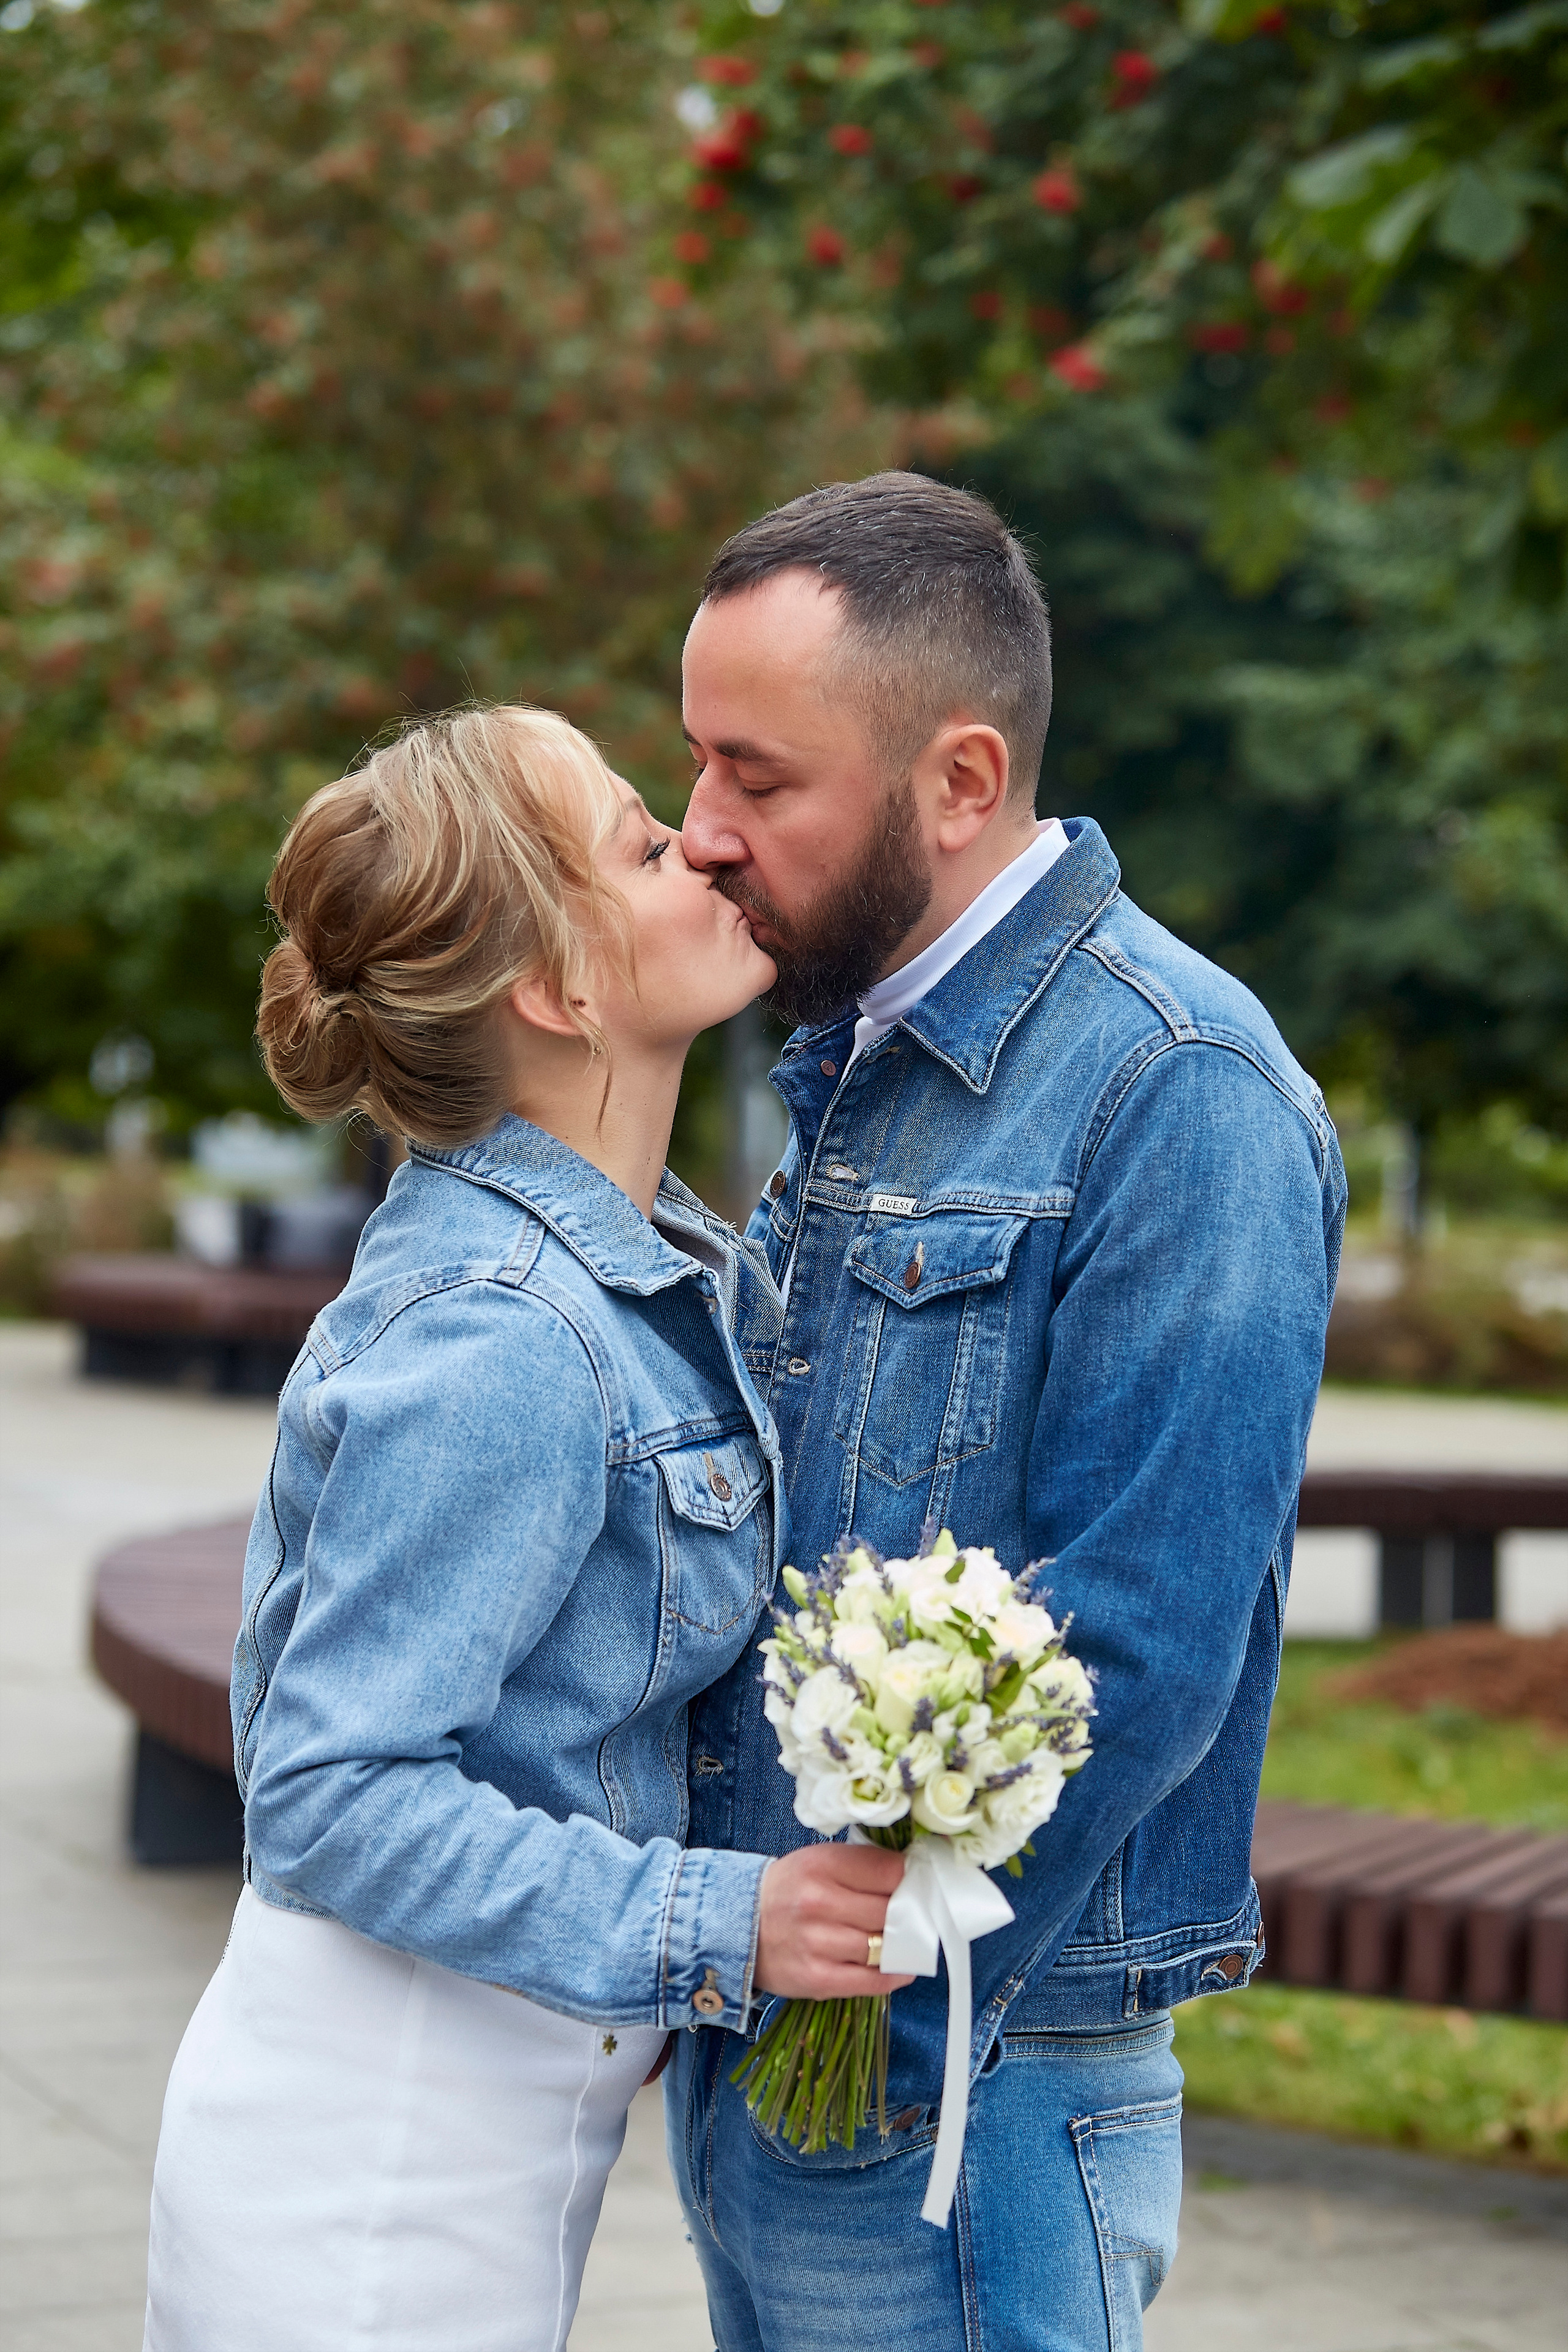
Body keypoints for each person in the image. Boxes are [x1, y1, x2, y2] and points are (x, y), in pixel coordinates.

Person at [669, 475, 1347, 2351]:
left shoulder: (1179, 1087)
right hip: (779, 2044)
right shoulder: (856, 1054)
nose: (703, 834)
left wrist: (862, 2019)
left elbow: (1139, 1645)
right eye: (699, 766)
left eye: (759, 777)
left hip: (969, 2075)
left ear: (960, 782)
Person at [141, 705, 910, 2352]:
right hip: (373, 2162)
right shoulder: (507, 1335)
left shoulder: (651, 1275)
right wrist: (731, 1920)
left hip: (473, 2128)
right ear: (558, 994)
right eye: (642, 842)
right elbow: (332, 1792)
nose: (703, 841)